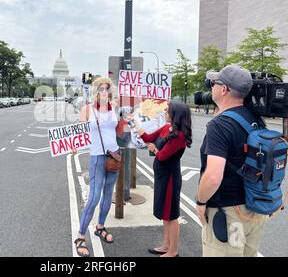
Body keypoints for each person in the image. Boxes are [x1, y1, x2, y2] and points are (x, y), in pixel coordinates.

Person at [195, 65, 267, 257]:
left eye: (215, 83)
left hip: (229, 215)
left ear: (224, 89)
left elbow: (212, 177)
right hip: (255, 208)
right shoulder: (256, 119)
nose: (211, 86)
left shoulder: (221, 125)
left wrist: (201, 202)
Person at [132, 100, 192, 257]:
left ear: (175, 114)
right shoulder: (167, 128)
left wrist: (154, 149)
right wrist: (135, 122)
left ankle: (173, 251)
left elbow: (163, 156)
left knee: (171, 215)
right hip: (162, 177)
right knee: (165, 214)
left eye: (167, 111)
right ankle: (166, 245)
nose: (164, 112)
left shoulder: (179, 135)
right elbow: (148, 137)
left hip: (170, 179)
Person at [73, 77, 120, 257]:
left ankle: (100, 226)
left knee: (108, 195)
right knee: (93, 197)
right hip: (97, 157)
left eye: (107, 88)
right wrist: (74, 145)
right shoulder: (87, 109)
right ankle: (80, 236)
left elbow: (122, 127)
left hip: (114, 155)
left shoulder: (114, 107)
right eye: (100, 88)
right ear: (95, 91)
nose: (104, 91)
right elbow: (78, 130)